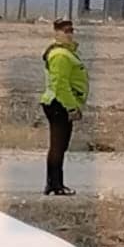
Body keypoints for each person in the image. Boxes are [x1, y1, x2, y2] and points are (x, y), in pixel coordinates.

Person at [40, 18, 89, 196]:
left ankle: (54, 183)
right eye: (64, 30)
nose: (68, 34)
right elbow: (61, 84)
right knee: (58, 146)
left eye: (70, 30)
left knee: (59, 145)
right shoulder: (60, 55)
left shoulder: (64, 52)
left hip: (58, 102)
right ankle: (55, 185)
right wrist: (71, 107)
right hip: (58, 103)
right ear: (56, 32)